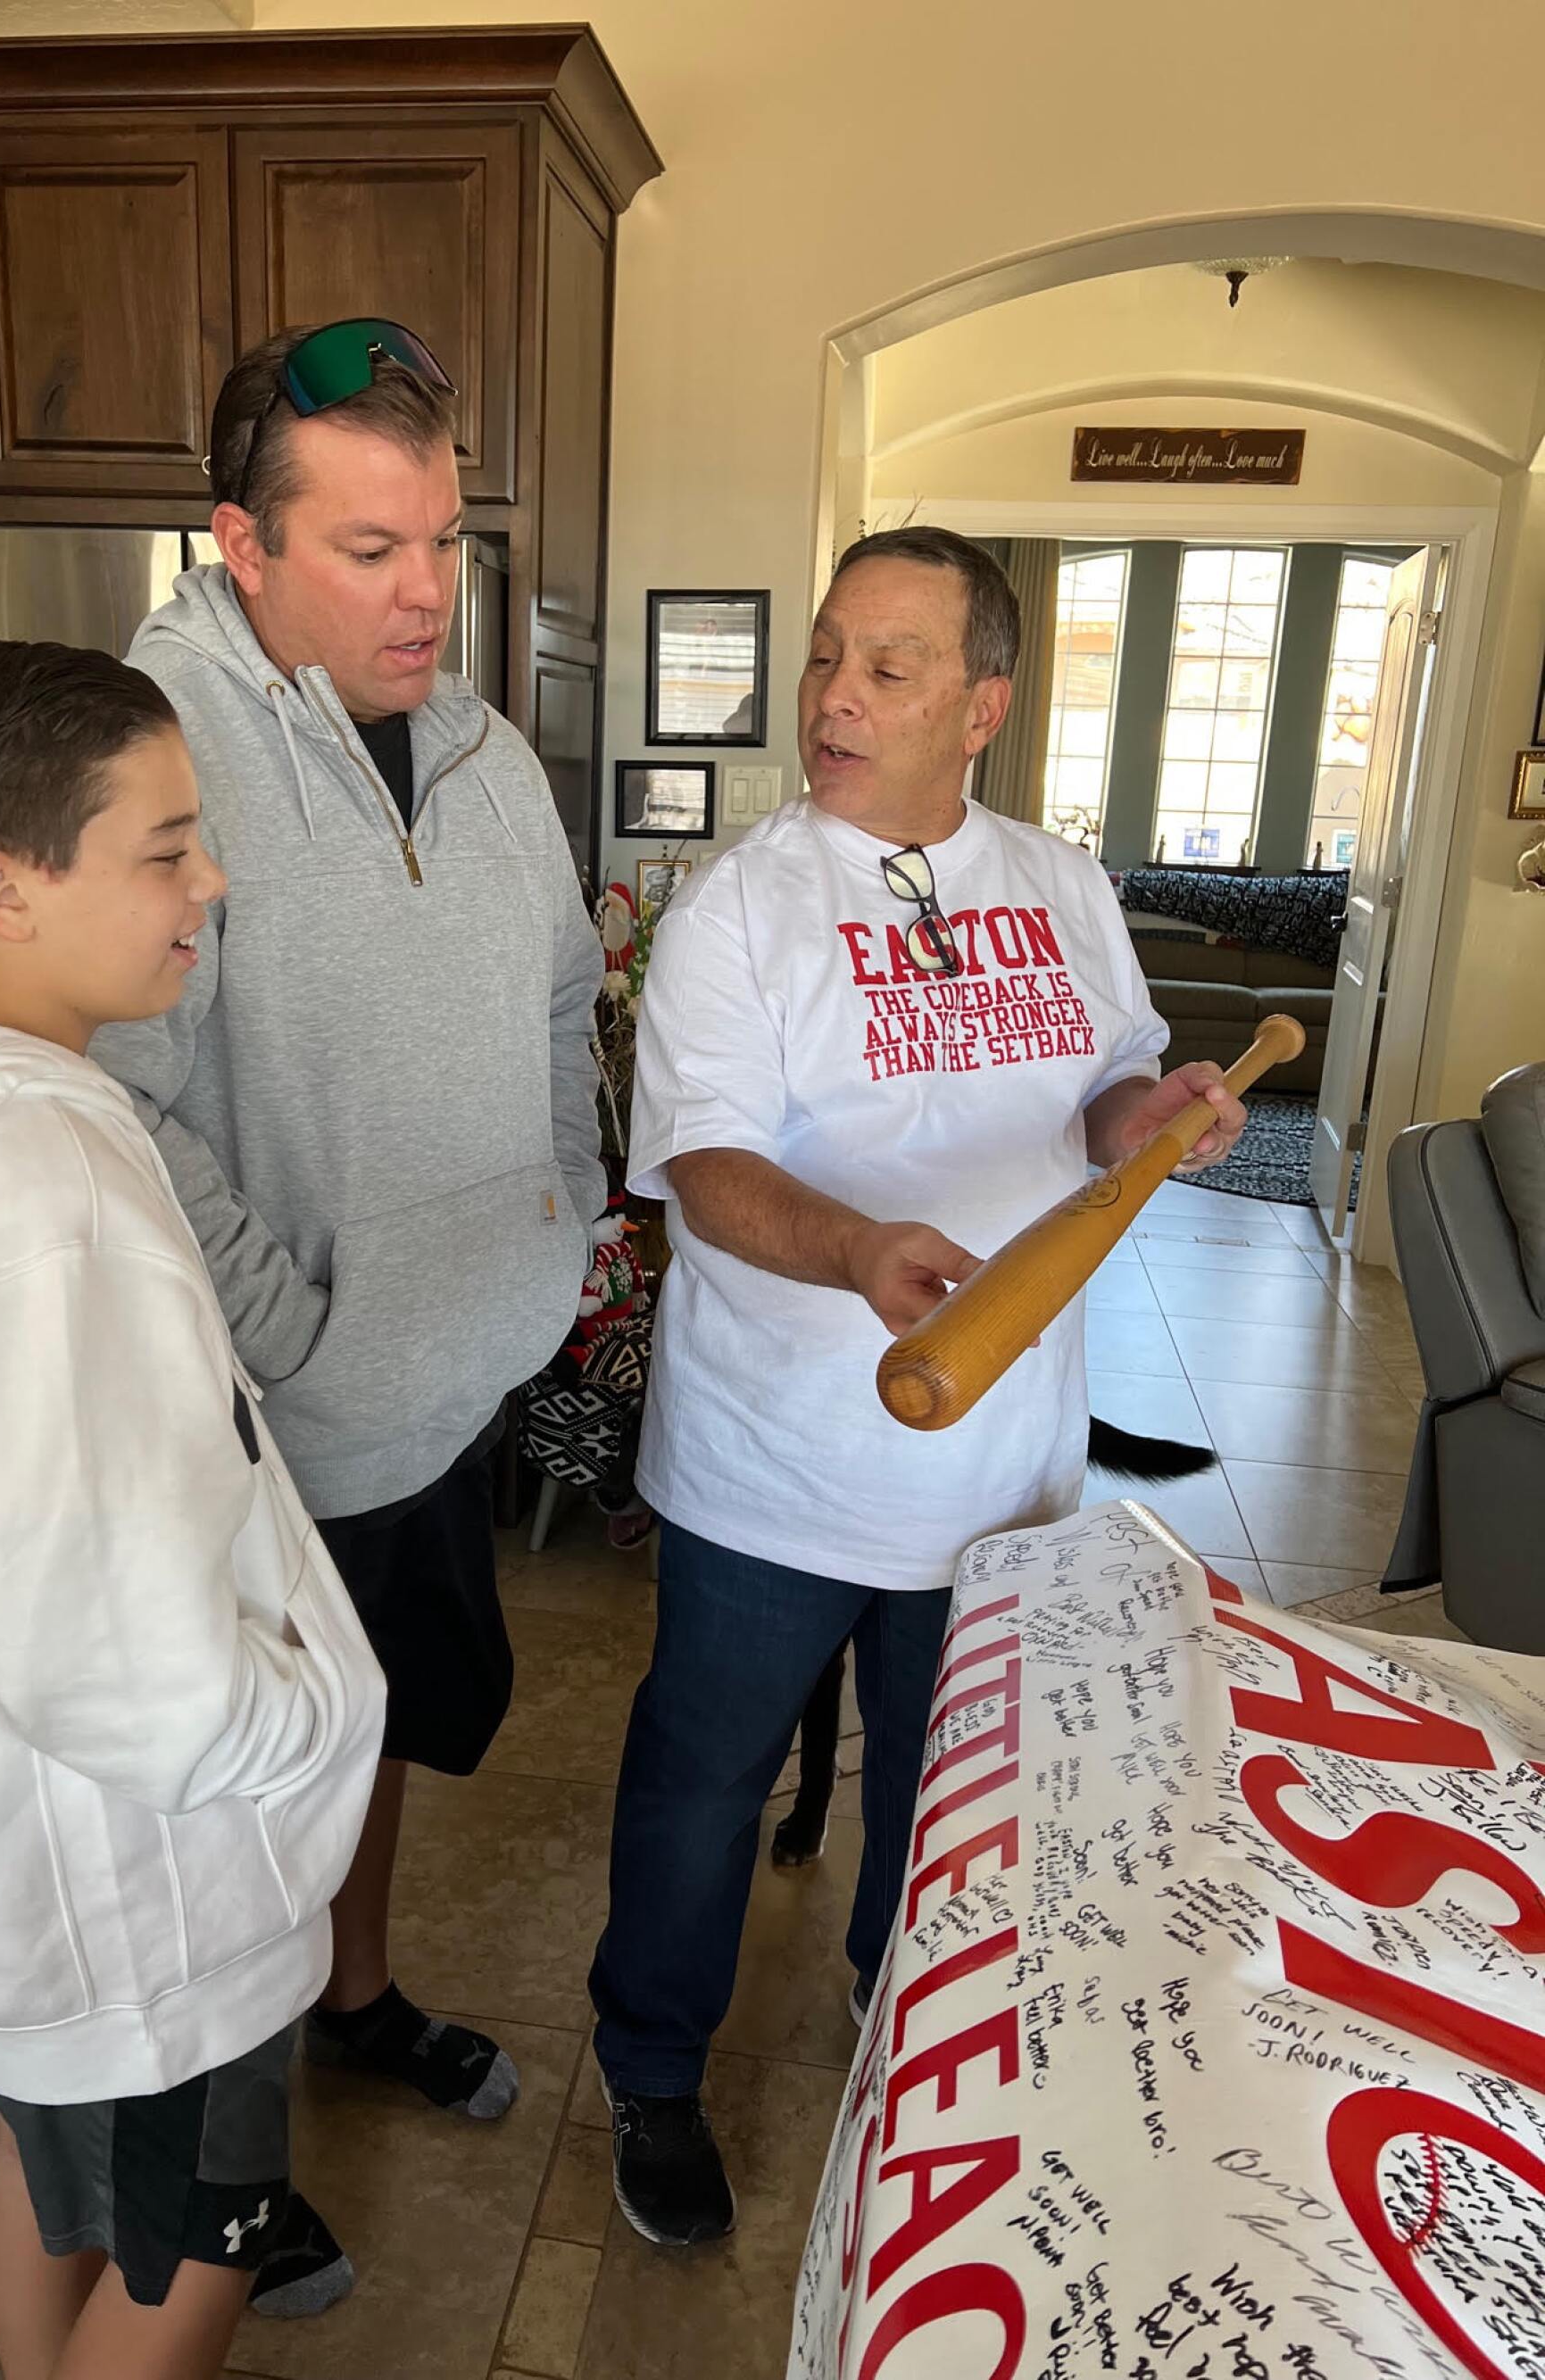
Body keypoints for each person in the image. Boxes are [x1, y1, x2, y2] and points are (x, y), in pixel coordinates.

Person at [588, 527, 1247, 2244]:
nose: (835, 696)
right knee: (701, 1779)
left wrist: (1152, 1118)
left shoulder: (1061, 881)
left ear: (982, 708)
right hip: (780, 1463)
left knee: (949, 1794)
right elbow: (706, 1167)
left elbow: (1097, 1094)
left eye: (889, 666)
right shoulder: (741, 908)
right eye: (825, 657)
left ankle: (902, 2043)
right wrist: (860, 1252)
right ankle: (654, 2071)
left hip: (1004, 1465)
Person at [0, 641, 388, 2379]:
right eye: (162, 847)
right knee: (189, 2256)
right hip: (132, 1889)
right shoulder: (42, 1201)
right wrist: (310, 1720)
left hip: (14, 1851)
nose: (208, 880)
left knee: (53, 2177)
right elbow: (113, 1665)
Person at [91, 322, 603, 2160]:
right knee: (227, 1800)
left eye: (442, 541)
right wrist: (293, 1332)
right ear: (242, 545)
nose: (423, 596)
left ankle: (352, 1999)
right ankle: (214, 2168)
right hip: (263, 1422)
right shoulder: (146, 753)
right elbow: (112, 1092)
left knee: (370, 1736)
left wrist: (557, 1222)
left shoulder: (477, 750)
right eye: (366, 551)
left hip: (443, 1384)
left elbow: (559, 1000)